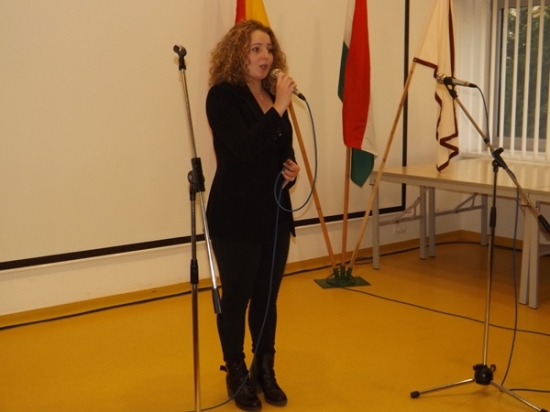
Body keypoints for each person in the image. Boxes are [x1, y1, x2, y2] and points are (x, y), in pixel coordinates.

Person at [205, 19, 300, 411]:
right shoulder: (222, 97)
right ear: (237, 54)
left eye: (269, 49)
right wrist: (279, 107)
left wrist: (290, 170)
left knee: (267, 298)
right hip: (235, 216)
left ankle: (265, 370)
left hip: (274, 214)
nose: (266, 56)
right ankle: (237, 372)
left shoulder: (274, 99)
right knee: (238, 298)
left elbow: (280, 151)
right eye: (256, 49)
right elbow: (243, 149)